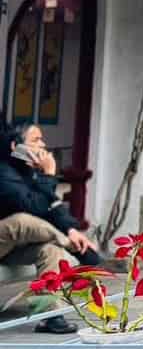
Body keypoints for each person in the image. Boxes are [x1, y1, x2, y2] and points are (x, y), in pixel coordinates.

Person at [0, 122, 98, 333]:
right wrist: (49, 175)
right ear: (15, 146)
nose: (43, 145)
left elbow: (51, 204)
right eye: (36, 140)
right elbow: (32, 206)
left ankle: (50, 316)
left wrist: (71, 229)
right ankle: (69, 244)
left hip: (9, 249)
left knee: (50, 250)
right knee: (21, 221)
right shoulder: (3, 171)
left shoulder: (29, 172)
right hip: (5, 237)